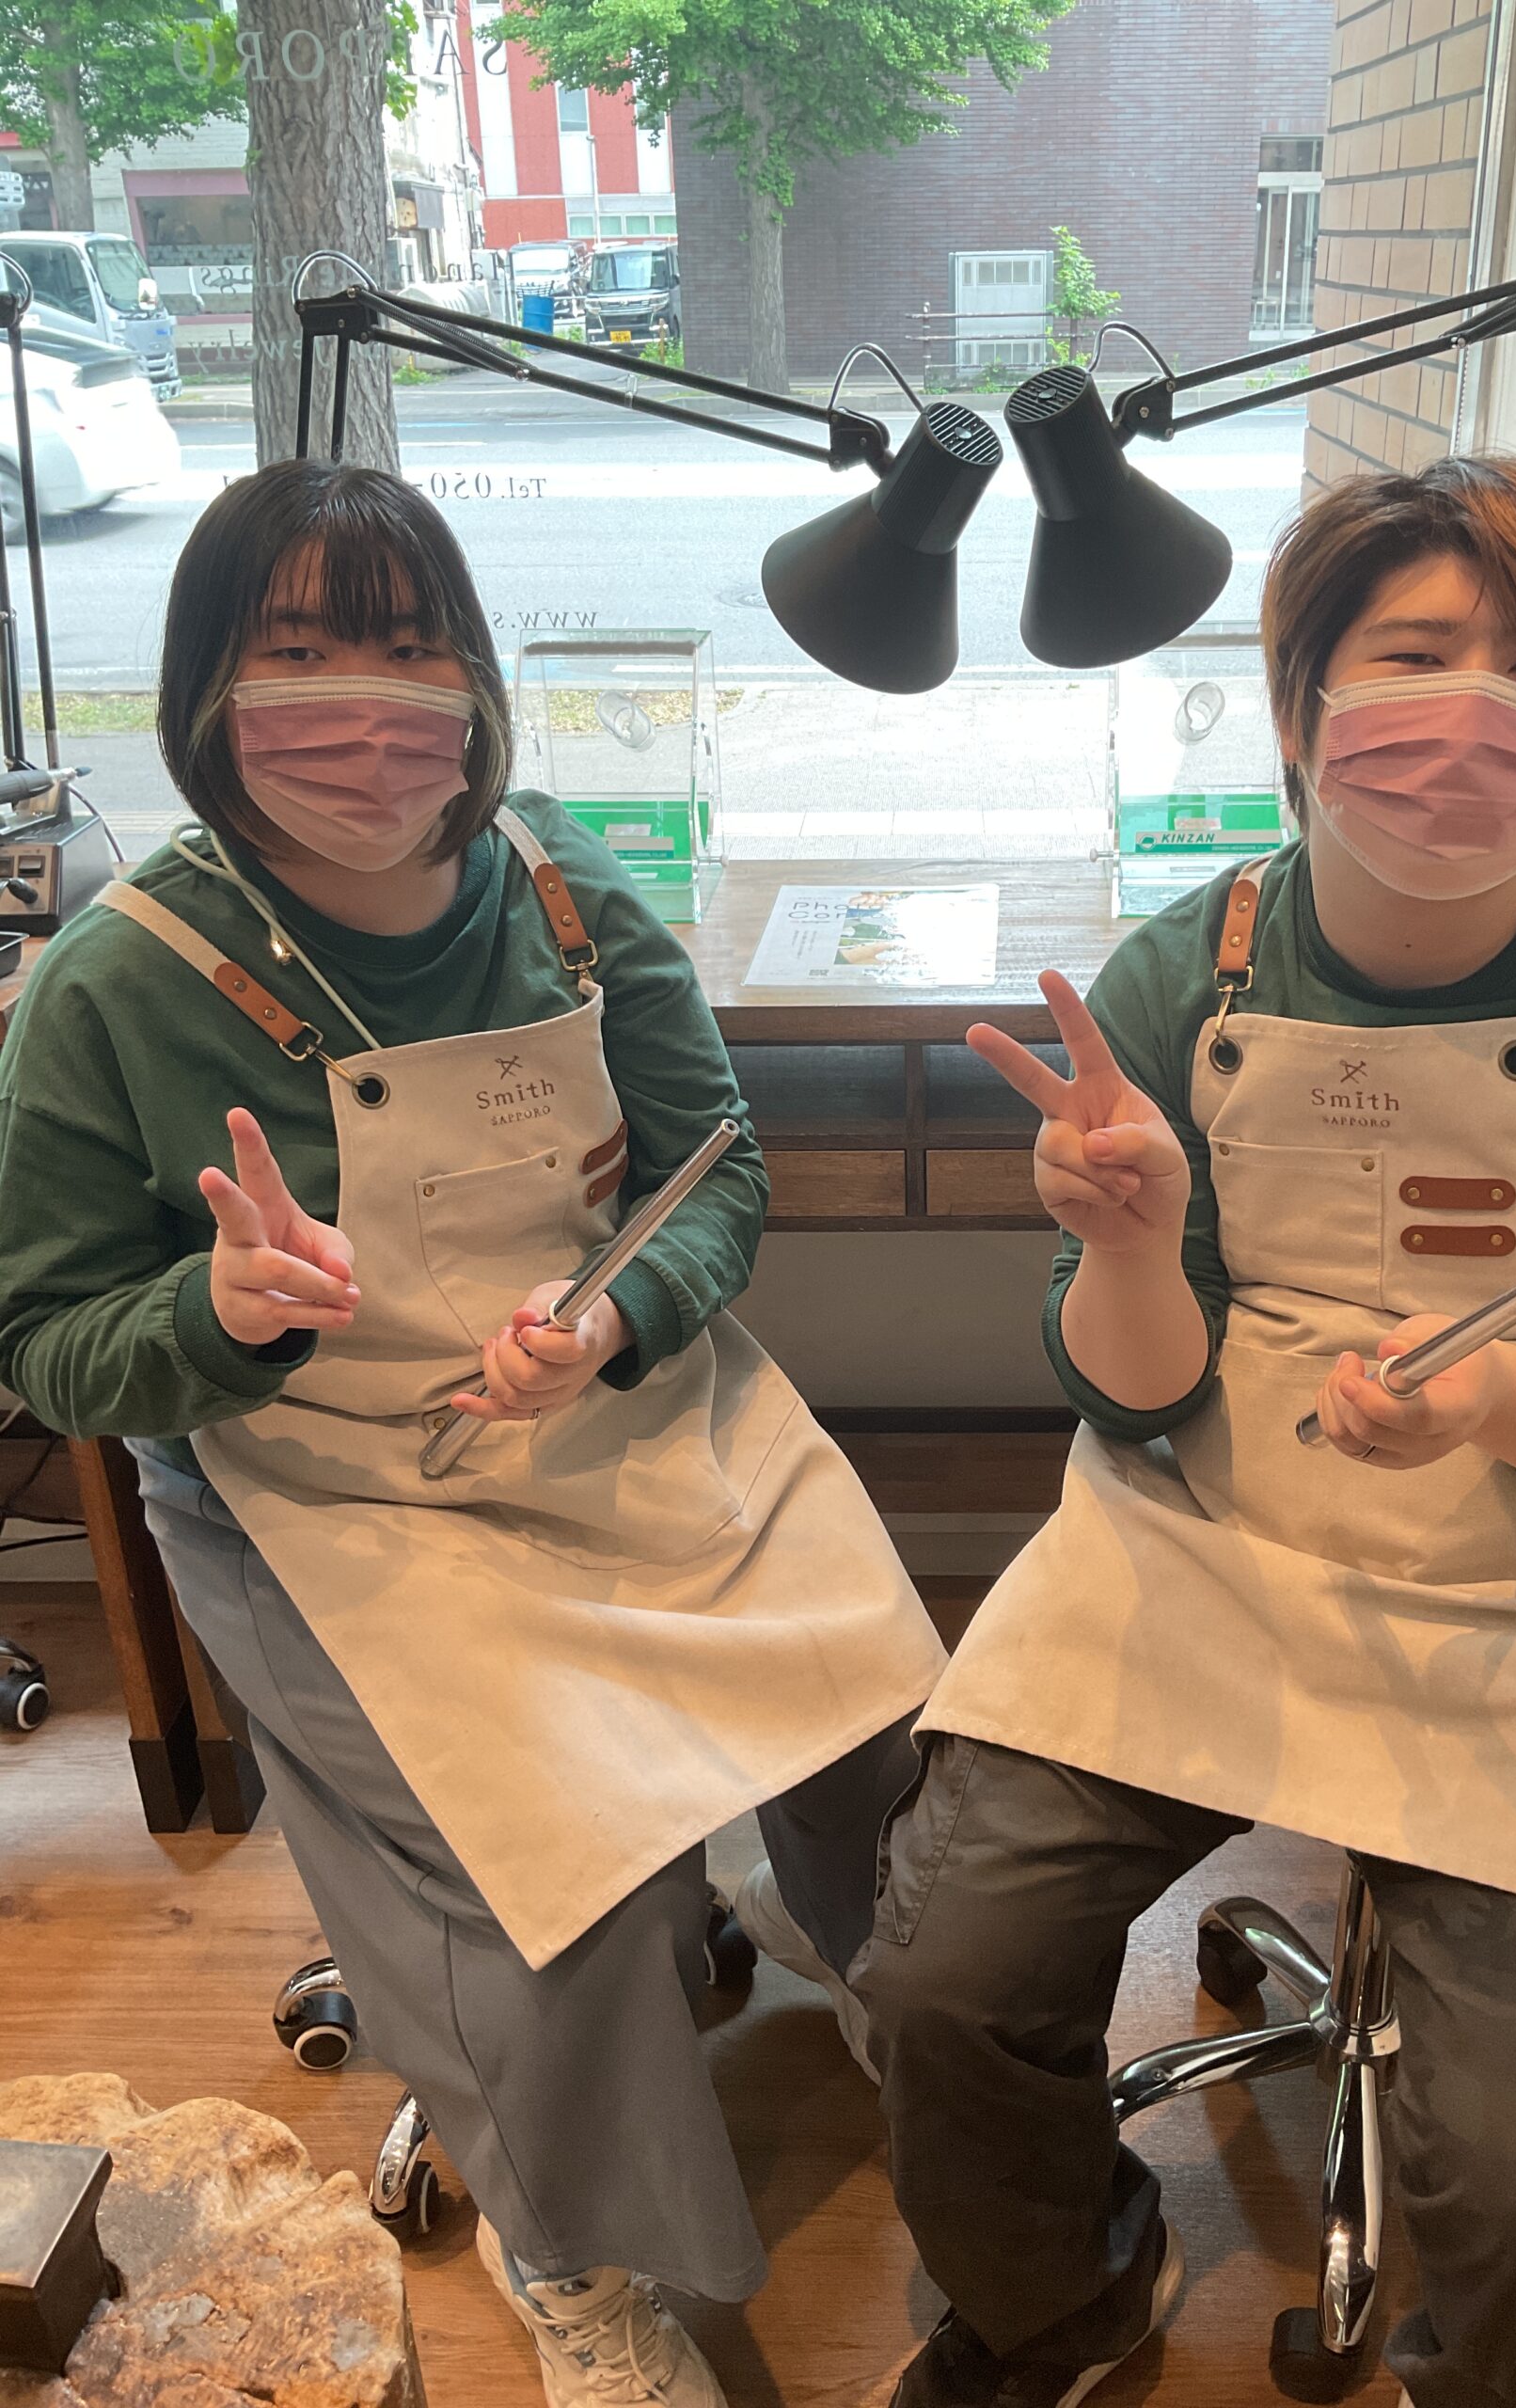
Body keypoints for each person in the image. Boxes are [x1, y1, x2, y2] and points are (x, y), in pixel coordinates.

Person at [853, 455, 1516, 2408]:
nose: (1471, 711)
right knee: (943, 1980)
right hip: (1209, 1551)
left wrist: (1500, 1395)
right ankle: (1060, 2295)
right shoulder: (1183, 973)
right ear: (1297, 708)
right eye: (1415, 654)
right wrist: (1131, 1250)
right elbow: (1137, 1390)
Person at [0, 460, 946, 2408]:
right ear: (205, 688)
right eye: (297, 652)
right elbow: (47, 1341)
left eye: (409, 646)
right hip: (327, 1493)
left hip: (624, 1414)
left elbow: (712, 1166)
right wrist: (216, 1316)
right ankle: (571, 2248)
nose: (363, 706)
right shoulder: (110, 988)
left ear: (477, 680)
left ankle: (881, 1976)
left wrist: (613, 1314)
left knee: (877, 1717)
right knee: (549, 1895)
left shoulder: (561, 887)